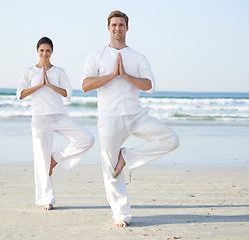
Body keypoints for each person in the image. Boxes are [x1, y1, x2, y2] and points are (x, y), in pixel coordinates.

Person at [81, 10, 179, 227]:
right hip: (109, 118)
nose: (118, 29)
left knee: (171, 140)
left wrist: (125, 75)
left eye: (121, 25)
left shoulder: (137, 57)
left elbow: (149, 86)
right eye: (114, 25)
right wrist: (112, 75)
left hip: (136, 115)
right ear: (108, 28)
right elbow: (86, 86)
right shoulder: (96, 55)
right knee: (111, 170)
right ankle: (121, 214)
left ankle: (128, 157)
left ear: (127, 28)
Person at [17, 37, 94, 211]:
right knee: (40, 161)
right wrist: (39, 85)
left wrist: (49, 84)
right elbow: (20, 94)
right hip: (39, 119)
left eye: (48, 50)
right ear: (37, 51)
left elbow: (68, 93)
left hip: (59, 116)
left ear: (52, 52)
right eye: (42, 50)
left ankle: (55, 158)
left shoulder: (59, 71)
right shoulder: (29, 72)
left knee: (87, 139)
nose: (45, 54)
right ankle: (47, 199)